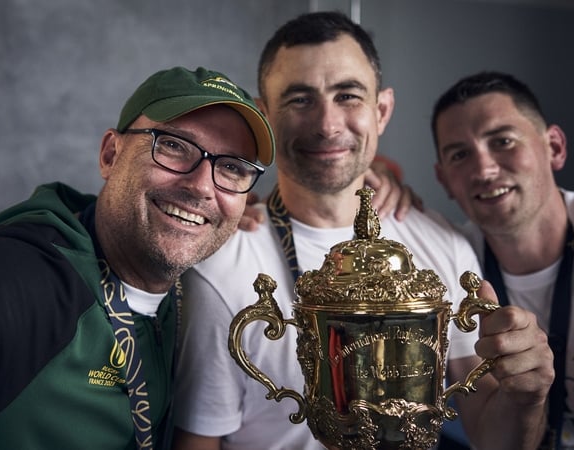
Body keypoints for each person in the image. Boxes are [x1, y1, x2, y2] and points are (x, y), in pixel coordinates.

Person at [173, 12, 554, 450]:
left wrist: (527, 398)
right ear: (266, 116)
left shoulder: (444, 246)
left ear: (382, 110)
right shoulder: (219, 266)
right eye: (300, 99)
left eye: (348, 95)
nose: (328, 124)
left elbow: (495, 439)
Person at [0, 65, 274, 449]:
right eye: (172, 146)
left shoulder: (190, 279)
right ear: (110, 155)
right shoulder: (26, 284)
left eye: (232, 168)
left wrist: (212, 217)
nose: (203, 185)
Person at [431, 71, 574, 449]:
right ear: (444, 179)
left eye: (503, 141)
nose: (483, 170)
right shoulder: (447, 262)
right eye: (460, 154)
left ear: (555, 147)